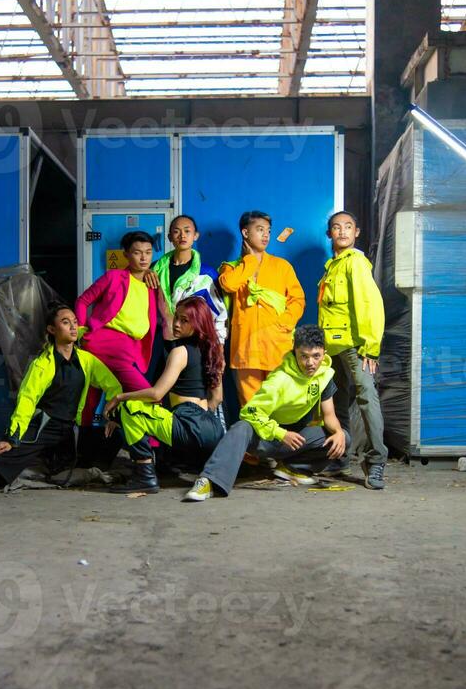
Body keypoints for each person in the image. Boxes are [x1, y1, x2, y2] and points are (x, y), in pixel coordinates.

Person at [0, 303, 121, 498]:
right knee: (10, 452)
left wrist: (113, 415)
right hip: (45, 426)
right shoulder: (42, 364)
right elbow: (27, 400)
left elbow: (114, 387)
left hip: (71, 430)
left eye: (74, 322)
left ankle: (87, 470)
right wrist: (11, 437)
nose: (73, 327)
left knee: (116, 434)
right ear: (52, 329)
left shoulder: (86, 360)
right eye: (65, 322)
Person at [184, 324, 347, 501]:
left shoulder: (324, 375)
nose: (310, 363)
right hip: (267, 439)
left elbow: (329, 414)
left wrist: (338, 432)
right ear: (295, 351)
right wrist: (280, 433)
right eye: (304, 356)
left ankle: (292, 468)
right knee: (241, 427)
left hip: (295, 438)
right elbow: (249, 412)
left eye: (316, 356)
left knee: (343, 437)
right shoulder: (279, 379)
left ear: (324, 353)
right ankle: (208, 480)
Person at [103, 296, 225, 494]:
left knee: (130, 408)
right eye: (176, 317)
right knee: (156, 415)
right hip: (212, 430)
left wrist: (119, 398)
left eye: (184, 320)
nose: (176, 324)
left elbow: (156, 393)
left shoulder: (180, 352)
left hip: (189, 423)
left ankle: (144, 476)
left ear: (198, 323)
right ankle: (182, 464)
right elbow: (217, 398)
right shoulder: (212, 352)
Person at [317, 210, 387, 490]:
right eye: (336, 227)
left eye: (348, 227)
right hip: (332, 349)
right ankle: (341, 456)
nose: (342, 231)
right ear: (329, 234)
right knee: (337, 403)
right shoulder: (332, 266)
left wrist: (370, 347)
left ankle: (376, 461)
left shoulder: (355, 263)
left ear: (356, 233)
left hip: (355, 346)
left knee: (367, 399)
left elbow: (369, 304)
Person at [218, 210, 305, 405]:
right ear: (245, 233)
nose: (266, 235)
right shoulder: (231, 268)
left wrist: (284, 323)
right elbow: (229, 285)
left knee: (281, 406)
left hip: (277, 346)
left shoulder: (282, 266)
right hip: (245, 349)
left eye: (268, 230)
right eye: (259, 229)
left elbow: (298, 299)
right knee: (251, 409)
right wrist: (249, 261)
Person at [74, 230, 159, 424]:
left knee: (92, 398)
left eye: (148, 252)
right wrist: (79, 331)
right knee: (146, 395)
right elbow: (82, 301)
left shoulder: (152, 283)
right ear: (126, 255)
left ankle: (85, 449)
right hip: (104, 341)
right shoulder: (114, 277)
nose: (144, 257)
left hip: (131, 347)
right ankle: (152, 447)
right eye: (137, 252)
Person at [145, 214, 227, 346]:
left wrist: (219, 348)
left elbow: (219, 315)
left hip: (195, 344)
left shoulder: (206, 275)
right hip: (162, 342)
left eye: (187, 231)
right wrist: (145, 271)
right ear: (170, 237)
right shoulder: (156, 270)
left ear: (195, 236)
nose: (182, 235)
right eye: (176, 231)